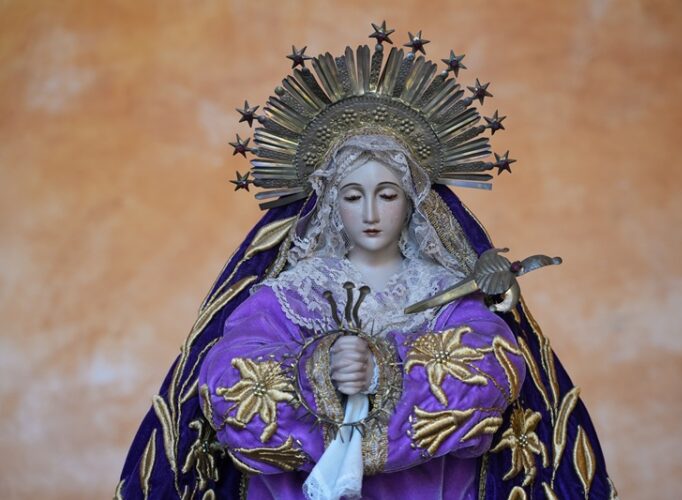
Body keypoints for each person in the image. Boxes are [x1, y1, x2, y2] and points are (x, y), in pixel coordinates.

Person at [117, 24, 617, 500]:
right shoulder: (295, 293)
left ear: (414, 201)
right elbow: (226, 380)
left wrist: (382, 370)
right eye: (354, 196)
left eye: (388, 194)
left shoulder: (444, 292)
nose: (372, 214)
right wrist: (316, 372)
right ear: (330, 203)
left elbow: (494, 368)